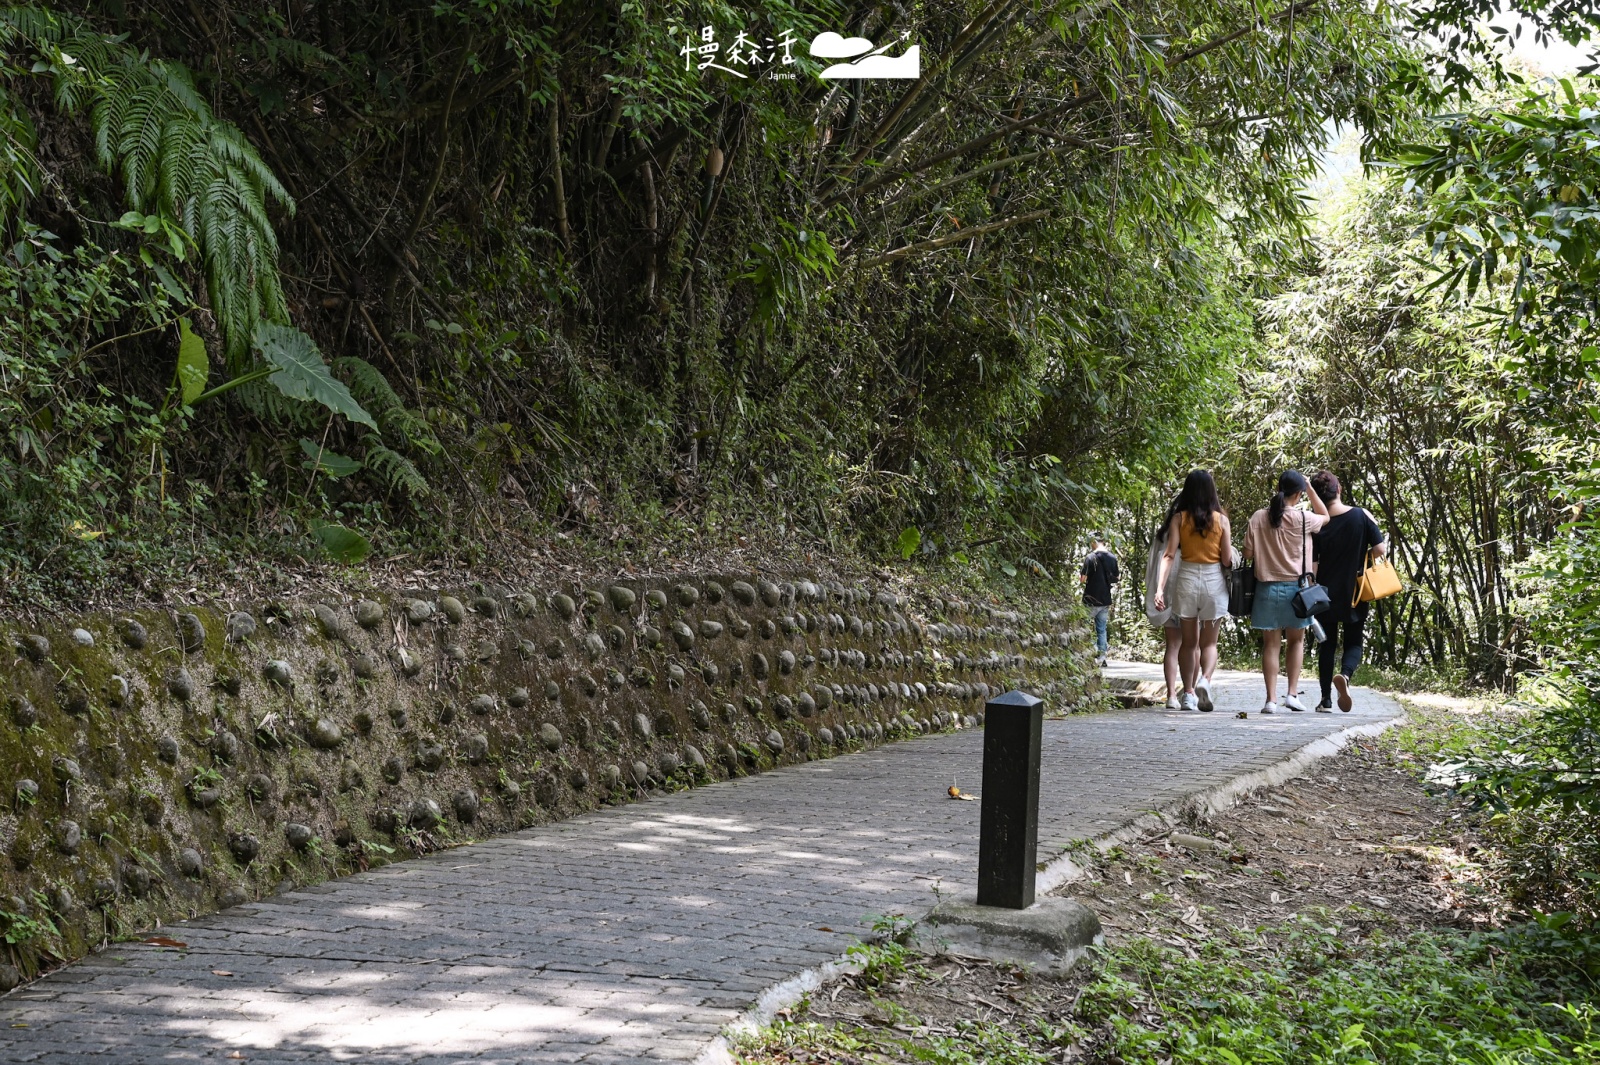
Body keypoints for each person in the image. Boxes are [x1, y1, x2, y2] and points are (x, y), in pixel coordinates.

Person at [1242, 470, 1330, 714]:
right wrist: (1311, 489)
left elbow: (1247, 554)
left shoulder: (1259, 517)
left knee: (1271, 645)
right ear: (1299, 493)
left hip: (1266, 588)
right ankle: (1292, 694)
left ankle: (1270, 700)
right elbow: (1326, 516)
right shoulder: (1304, 518)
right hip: (1297, 591)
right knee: (1296, 641)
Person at [1153, 470, 1233, 712]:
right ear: (1211, 491)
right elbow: (1227, 559)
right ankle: (1205, 680)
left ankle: (1187, 694)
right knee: (1209, 644)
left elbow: (1168, 555)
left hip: (1187, 579)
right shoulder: (1221, 520)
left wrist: (1159, 588)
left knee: (1188, 643)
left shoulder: (1179, 518)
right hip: (1213, 582)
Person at [1310, 471, 1388, 712]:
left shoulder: (1316, 524)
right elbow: (1380, 549)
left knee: (1327, 645)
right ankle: (1344, 675)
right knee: (1354, 640)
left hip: (1325, 592)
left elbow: (1313, 565)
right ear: (1339, 489)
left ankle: (1325, 700)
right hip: (1356, 590)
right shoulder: (1360, 515)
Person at [1144, 507, 1183, 710]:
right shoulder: (1198, 524)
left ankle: (1171, 695)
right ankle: (1190, 693)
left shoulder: (1164, 533)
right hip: (1188, 586)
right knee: (1192, 646)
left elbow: (1153, 563)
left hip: (1166, 589)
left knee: (1173, 646)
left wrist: (1154, 590)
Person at [1079, 534, 1119, 666]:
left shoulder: (1090, 557)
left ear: (1094, 542)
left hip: (1091, 598)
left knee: (1083, 625)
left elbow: (1083, 579)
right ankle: (1102, 657)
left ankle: (1094, 650)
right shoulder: (1113, 558)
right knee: (1101, 629)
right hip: (1105, 599)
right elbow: (1116, 578)